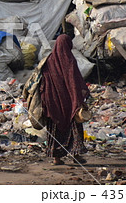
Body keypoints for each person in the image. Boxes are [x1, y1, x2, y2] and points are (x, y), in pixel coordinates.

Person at [39, 34, 89, 165]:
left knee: (54, 130)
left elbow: (43, 83)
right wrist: (80, 98)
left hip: (53, 104)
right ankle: (76, 156)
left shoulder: (48, 61)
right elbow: (75, 81)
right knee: (74, 128)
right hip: (70, 104)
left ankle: (56, 158)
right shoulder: (69, 60)